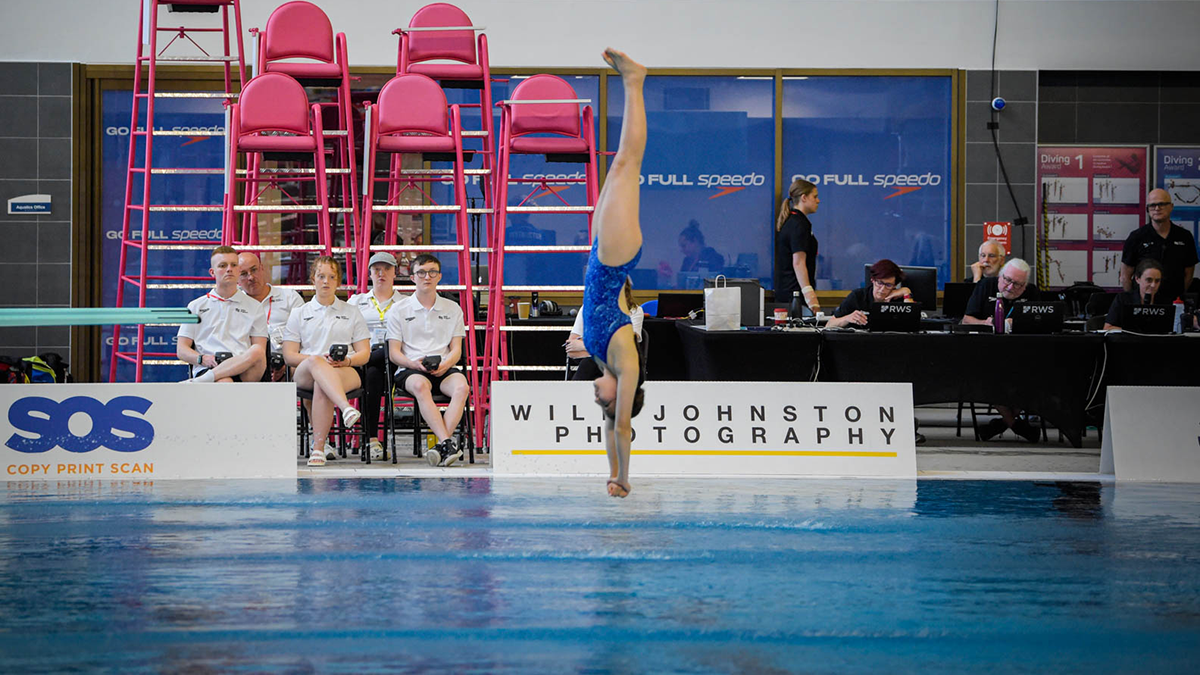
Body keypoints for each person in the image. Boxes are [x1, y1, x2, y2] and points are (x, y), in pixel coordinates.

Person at [583, 48, 649, 499]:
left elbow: (609, 425)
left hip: (598, 256)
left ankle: (633, 82)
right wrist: (621, 477)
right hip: (614, 260)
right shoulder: (625, 360)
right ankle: (635, 81)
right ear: (618, 393)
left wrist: (607, 471)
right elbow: (621, 426)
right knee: (628, 165)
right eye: (600, 398)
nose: (594, 392)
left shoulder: (603, 358)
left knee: (617, 167)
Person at [281, 256, 371, 467]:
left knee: (323, 385)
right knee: (315, 363)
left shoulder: (352, 311)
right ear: (313, 279)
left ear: (338, 281)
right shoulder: (299, 313)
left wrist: (347, 361)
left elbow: (364, 353)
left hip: (343, 369)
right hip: (306, 370)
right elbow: (289, 355)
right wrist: (317, 360)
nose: (326, 282)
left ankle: (318, 449)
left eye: (331, 277)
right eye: (321, 276)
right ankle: (345, 407)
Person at [385, 254, 469, 468]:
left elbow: (456, 349)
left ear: (439, 276)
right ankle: (447, 443)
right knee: (421, 386)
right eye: (421, 272)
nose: (427, 277)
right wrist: (414, 364)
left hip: (443, 365)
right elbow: (394, 353)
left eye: (432, 272)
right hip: (410, 368)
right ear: (412, 277)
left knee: (462, 388)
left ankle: (443, 445)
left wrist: (445, 364)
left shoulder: (453, 308)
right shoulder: (399, 310)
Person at [176, 246, 268, 383]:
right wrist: (202, 358)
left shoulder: (255, 306)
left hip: (245, 369)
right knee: (224, 382)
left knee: (257, 351)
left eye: (234, 265)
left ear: (238, 270)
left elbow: (259, 349)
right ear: (212, 272)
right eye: (223, 265)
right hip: (209, 365)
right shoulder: (196, 306)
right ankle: (209, 377)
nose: (229, 269)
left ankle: (201, 381)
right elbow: (181, 349)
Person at [347, 252, 407, 461]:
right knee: (373, 373)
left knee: (384, 355)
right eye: (376, 269)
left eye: (386, 269)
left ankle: (371, 438)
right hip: (363, 359)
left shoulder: (405, 303)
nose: (381, 273)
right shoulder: (356, 301)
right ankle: (372, 439)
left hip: (396, 359)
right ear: (369, 273)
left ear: (394, 273)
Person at [1120, 189, 1197, 305]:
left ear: (1171, 206)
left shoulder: (1185, 237)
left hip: (1174, 303)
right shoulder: (1136, 237)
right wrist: (1134, 302)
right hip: (1144, 304)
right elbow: (1125, 276)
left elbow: (1189, 275)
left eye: (1161, 204)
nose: (1157, 208)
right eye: (1152, 205)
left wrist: (1178, 296)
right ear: (1147, 209)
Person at [237, 251, 304, 381]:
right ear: (237, 279)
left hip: (287, 361)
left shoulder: (290, 297)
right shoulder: (233, 303)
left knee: (304, 367)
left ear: (262, 269)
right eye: (243, 274)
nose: (250, 277)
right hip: (249, 363)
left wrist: (287, 366)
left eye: (254, 270)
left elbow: (307, 336)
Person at [566, 279, 642, 381]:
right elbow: (571, 350)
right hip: (591, 365)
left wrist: (584, 345)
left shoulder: (635, 311)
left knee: (589, 364)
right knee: (590, 363)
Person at [774, 178, 821, 314]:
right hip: (794, 298)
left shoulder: (794, 221)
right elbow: (799, 263)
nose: (818, 201)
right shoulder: (798, 225)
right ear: (804, 198)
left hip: (790, 295)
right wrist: (811, 298)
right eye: (815, 196)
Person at [827, 259, 914, 328]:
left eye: (888, 285)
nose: (882, 289)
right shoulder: (858, 296)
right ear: (872, 280)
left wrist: (906, 293)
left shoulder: (899, 299)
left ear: (895, 285)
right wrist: (847, 318)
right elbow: (829, 324)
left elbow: (912, 325)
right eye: (879, 283)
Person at [962, 258, 1040, 329]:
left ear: (1024, 286)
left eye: (1017, 284)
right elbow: (966, 320)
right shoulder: (985, 285)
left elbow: (1039, 323)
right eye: (1008, 280)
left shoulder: (1032, 291)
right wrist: (985, 323)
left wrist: (1018, 323)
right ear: (1000, 276)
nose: (1010, 287)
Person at [1104, 258, 1164, 330]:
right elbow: (1108, 328)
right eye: (1149, 280)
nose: (1153, 285)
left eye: (1157, 281)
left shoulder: (1164, 301)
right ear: (1137, 279)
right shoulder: (1123, 299)